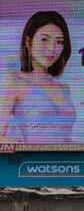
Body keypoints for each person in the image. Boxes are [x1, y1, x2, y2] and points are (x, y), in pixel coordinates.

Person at [0, 11, 75, 143]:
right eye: (44, 40)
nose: (52, 49)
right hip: (32, 161)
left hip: (67, 161)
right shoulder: (14, 81)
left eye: (59, 42)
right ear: (29, 42)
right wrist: (24, 151)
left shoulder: (64, 89)